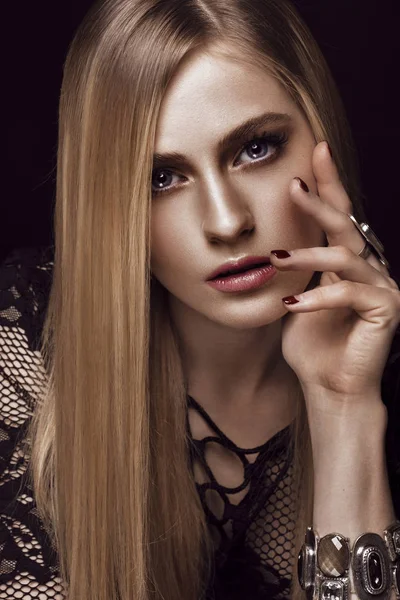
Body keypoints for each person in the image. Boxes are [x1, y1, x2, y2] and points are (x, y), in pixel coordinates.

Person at [1, 0, 400, 599]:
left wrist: (343, 411)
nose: (225, 222)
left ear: (321, 140)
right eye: (161, 178)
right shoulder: (25, 348)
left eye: (256, 148)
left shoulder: (381, 361)